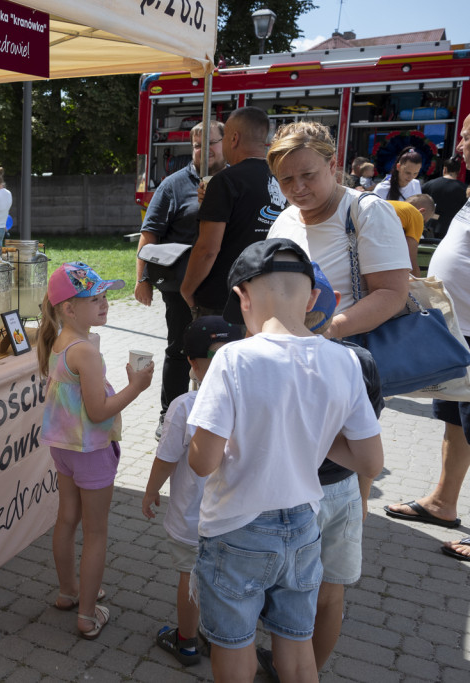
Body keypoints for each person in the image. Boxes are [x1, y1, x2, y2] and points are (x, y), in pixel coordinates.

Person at [189, 239, 384, 683]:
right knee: (296, 652)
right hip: (303, 527)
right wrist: (313, 433)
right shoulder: (345, 361)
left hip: (236, 527)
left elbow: (203, 463)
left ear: (242, 298)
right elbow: (369, 462)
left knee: (234, 648)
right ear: (312, 296)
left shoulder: (232, 359)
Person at [255, 263, 386, 679]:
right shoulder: (359, 361)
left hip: (290, 493)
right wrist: (363, 496)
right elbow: (369, 440)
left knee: (288, 596)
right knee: (330, 597)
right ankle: (307, 671)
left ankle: (284, 665)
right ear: (333, 308)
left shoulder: (264, 360)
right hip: (343, 491)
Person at [38, 262, 154, 639]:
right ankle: (88, 614)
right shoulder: (86, 352)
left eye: (105, 296)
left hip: (64, 449)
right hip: (91, 450)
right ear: (70, 308)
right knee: (97, 533)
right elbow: (98, 411)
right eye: (95, 298)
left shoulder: (60, 340)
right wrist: (136, 386)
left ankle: (68, 590)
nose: (105, 303)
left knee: (67, 518)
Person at [386, 113, 470, 552]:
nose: (462, 142)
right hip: (455, 330)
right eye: (463, 134)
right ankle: (442, 502)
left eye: (469, 136)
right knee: (455, 419)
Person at [142, 315, 243, 668]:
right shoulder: (253, 402)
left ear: (191, 363)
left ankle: (186, 642)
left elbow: (166, 458)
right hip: (238, 520)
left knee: (191, 579)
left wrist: (150, 490)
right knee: (228, 582)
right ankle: (225, 641)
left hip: (191, 522)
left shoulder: (184, 406)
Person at [266, 121, 409, 342]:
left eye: (308, 175)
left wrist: (332, 329)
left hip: (346, 355)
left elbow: (392, 293)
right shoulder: (285, 219)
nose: (297, 187)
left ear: (332, 165)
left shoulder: (367, 211)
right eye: (286, 179)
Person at [136, 121, 227, 433]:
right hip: (179, 286)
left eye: (211, 143)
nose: (205, 151)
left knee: (220, 351)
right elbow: (149, 235)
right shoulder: (173, 185)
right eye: (198, 145)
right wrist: (142, 279)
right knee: (179, 350)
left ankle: (214, 418)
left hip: (223, 286)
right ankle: (170, 417)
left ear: (226, 143)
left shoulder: (232, 181)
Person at [180, 106, 287, 316]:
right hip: (267, 294)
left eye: (225, 135)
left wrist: (186, 289)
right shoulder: (282, 178)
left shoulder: (225, 181)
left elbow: (207, 249)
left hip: (223, 300)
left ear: (234, 138)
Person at [422, 157, 467, 238]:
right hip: (451, 229)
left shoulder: (429, 184)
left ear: (445, 169)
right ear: (459, 171)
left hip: (429, 227)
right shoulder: (464, 189)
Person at [385, 198, 426, 276]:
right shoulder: (415, 213)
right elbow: (411, 263)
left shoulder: (391, 205)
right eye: (424, 222)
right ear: (422, 211)